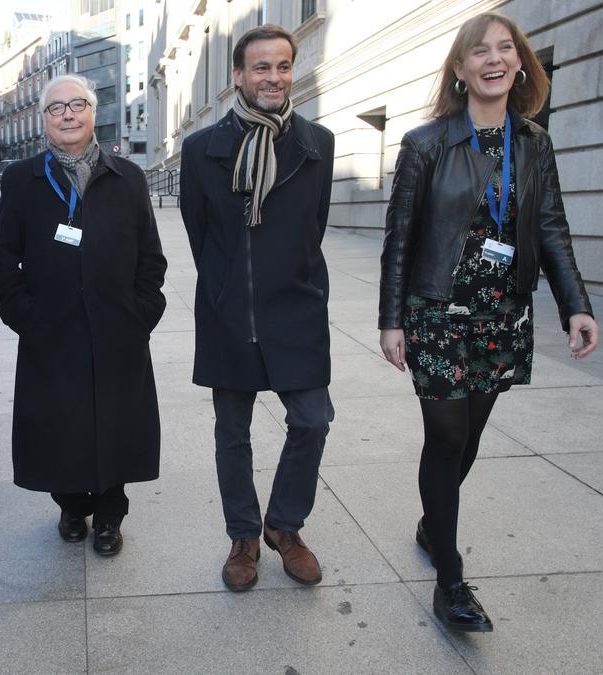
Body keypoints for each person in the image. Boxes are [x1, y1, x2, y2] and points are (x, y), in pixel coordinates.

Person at [379, 11, 600, 633]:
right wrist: (390, 319)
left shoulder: (535, 142)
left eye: (506, 48)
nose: (494, 59)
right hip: (436, 312)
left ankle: (431, 522)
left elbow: (551, 227)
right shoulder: (426, 143)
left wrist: (575, 305)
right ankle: (449, 577)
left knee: (469, 438)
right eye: (479, 51)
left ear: (521, 63)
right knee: (446, 437)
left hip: (502, 314)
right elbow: (400, 237)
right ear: (459, 68)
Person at [179, 25, 335, 592]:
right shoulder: (201, 152)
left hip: (296, 311)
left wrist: (294, 283)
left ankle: (284, 527)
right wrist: (226, 287)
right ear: (239, 75)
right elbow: (203, 237)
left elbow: (311, 230)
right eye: (261, 67)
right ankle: (243, 535)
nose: (273, 77)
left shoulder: (319, 144)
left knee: (313, 420)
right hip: (228, 312)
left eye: (283, 66)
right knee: (232, 433)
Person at [0, 74, 166, 556]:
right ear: (45, 121)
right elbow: (3, 261)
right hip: (51, 331)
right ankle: (70, 504)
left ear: (93, 113)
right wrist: (26, 317)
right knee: (59, 424)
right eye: (56, 108)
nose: (68, 114)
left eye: (77, 105)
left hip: (117, 329)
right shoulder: (23, 179)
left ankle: (109, 516)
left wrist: (141, 313)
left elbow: (151, 257)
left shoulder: (127, 176)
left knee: (116, 423)